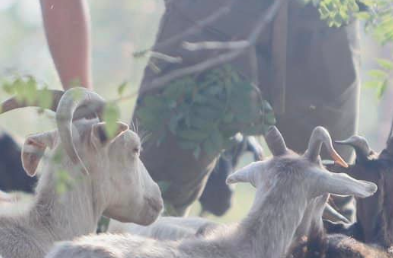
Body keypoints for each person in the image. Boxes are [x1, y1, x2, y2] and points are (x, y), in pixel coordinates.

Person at [39, 0, 360, 216]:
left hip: (319, 25)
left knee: (331, 224)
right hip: (201, 22)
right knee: (143, 207)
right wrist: (82, 106)